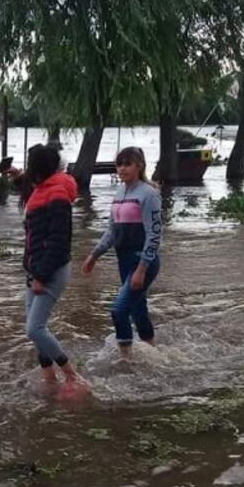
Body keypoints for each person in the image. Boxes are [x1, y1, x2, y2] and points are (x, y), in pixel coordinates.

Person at [81, 146, 163, 358]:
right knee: (138, 310)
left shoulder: (148, 194)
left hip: (142, 260)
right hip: (123, 259)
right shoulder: (119, 193)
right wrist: (94, 255)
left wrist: (142, 269)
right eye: (119, 164)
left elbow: (154, 235)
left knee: (119, 310)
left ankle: (126, 359)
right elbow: (111, 231)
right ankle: (155, 353)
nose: (122, 168)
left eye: (128, 164)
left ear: (139, 166)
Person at [20, 144, 87, 391]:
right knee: (36, 329)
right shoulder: (42, 189)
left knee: (34, 328)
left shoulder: (57, 193)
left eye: (30, 164)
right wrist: (31, 270)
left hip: (50, 270)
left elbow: (59, 241)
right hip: (36, 269)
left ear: (39, 166)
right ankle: (49, 378)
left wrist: (40, 275)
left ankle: (71, 375)